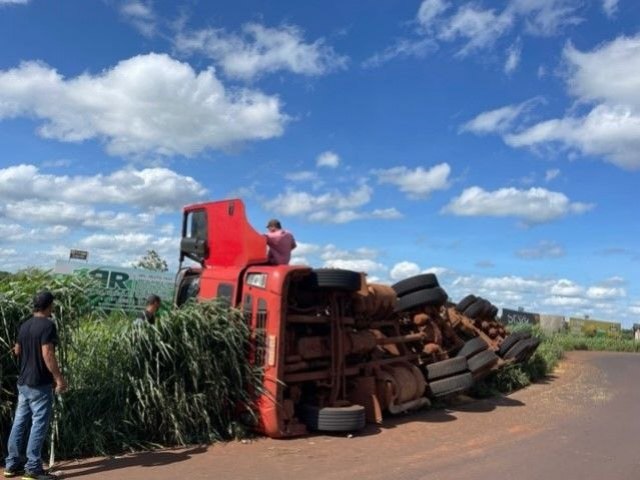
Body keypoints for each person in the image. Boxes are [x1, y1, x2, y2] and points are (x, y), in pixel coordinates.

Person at [3, 290, 67, 480]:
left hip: (23, 382)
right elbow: (47, 353)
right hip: (40, 383)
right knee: (39, 423)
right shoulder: (48, 325)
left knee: (19, 422)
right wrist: (59, 378)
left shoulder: (25, 325)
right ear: (49, 306)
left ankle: (11, 465)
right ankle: (33, 468)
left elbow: (16, 350)